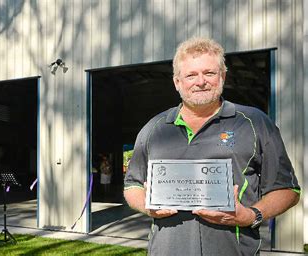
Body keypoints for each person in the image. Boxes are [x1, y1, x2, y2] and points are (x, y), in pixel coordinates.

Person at [123, 37, 300, 256]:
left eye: (209, 73)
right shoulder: (154, 128)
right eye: (190, 75)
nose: (200, 82)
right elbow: (132, 185)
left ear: (222, 76)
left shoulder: (254, 123)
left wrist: (252, 215)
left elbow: (288, 190)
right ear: (177, 82)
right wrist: (147, 205)